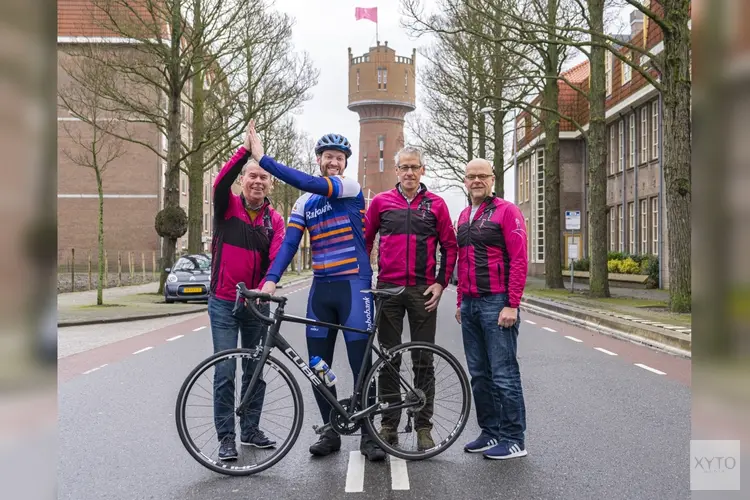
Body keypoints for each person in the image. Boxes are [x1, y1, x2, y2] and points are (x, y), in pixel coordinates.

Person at [244, 120, 387, 462]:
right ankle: (330, 431)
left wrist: (264, 160)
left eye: (338, 157)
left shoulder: (349, 188)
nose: (333, 162)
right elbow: (290, 244)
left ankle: (369, 434)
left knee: (360, 365)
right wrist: (270, 280)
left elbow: (307, 181)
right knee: (318, 364)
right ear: (319, 159)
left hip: (354, 287)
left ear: (344, 163)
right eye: (327, 157)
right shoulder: (303, 204)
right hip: (321, 291)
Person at [364, 145, 458, 450]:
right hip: (388, 289)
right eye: (404, 167)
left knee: (423, 358)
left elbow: (450, 246)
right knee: (389, 358)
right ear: (396, 171)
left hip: (422, 290)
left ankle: (423, 426)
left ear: (422, 170)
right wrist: (366, 279)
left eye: (414, 167)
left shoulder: (437, 205)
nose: (409, 172)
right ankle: (388, 423)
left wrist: (441, 282)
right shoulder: (380, 203)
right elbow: (364, 242)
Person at [208, 131, 286, 461]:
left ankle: (250, 430)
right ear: (243, 180)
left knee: (255, 369)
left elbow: (279, 256)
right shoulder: (227, 207)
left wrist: (267, 285)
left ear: (270, 185)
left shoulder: (275, 219)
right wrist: (246, 151)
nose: (258, 182)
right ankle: (226, 437)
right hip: (225, 301)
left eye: (263, 177)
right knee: (225, 370)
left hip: (256, 304)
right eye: (252, 176)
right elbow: (219, 182)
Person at [454, 158, 529, 460]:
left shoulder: (507, 212)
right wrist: (460, 301)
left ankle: (514, 438)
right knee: (479, 374)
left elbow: (519, 258)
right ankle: (490, 431)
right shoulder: (462, 215)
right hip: (470, 304)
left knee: (504, 374)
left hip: (497, 302)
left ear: (492, 179)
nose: (476, 181)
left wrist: (512, 303)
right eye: (471, 176)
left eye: (482, 176)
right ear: (465, 181)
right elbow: (462, 260)